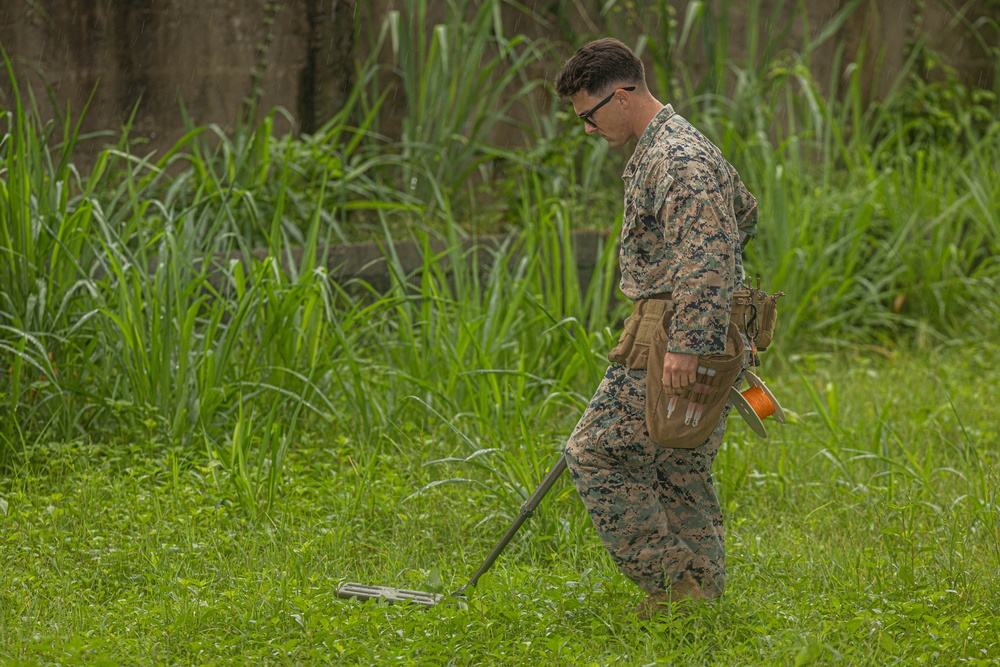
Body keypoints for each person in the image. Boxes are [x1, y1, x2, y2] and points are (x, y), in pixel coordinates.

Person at [555, 38, 758, 620]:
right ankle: (701, 602)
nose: (588, 130)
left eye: (589, 116)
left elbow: (707, 256)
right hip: (692, 330)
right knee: (678, 464)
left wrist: (688, 345)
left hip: (683, 339)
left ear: (621, 95)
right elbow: (743, 212)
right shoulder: (677, 145)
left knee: (594, 453)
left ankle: (674, 587)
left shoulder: (675, 158)